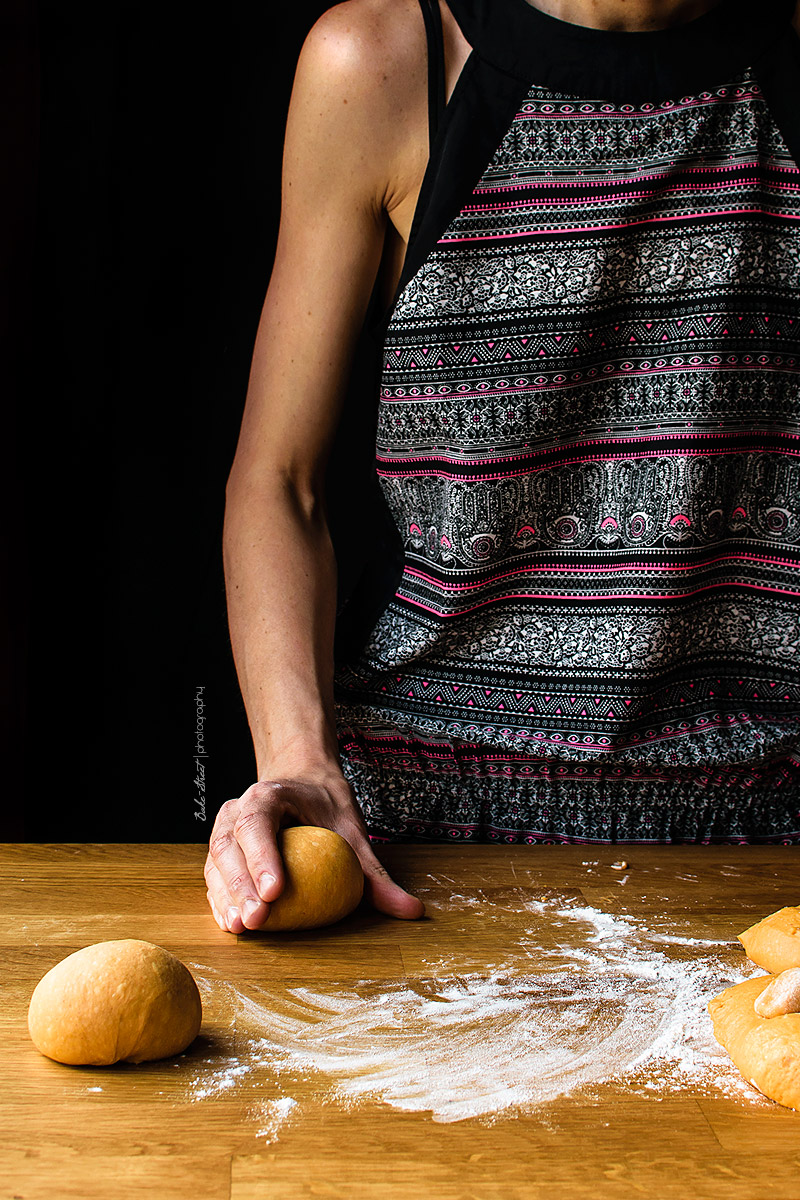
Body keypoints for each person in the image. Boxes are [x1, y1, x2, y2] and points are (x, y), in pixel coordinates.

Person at [205, 0, 800, 935]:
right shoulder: (389, 64)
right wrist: (297, 761)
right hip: (418, 838)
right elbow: (282, 481)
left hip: (770, 838)